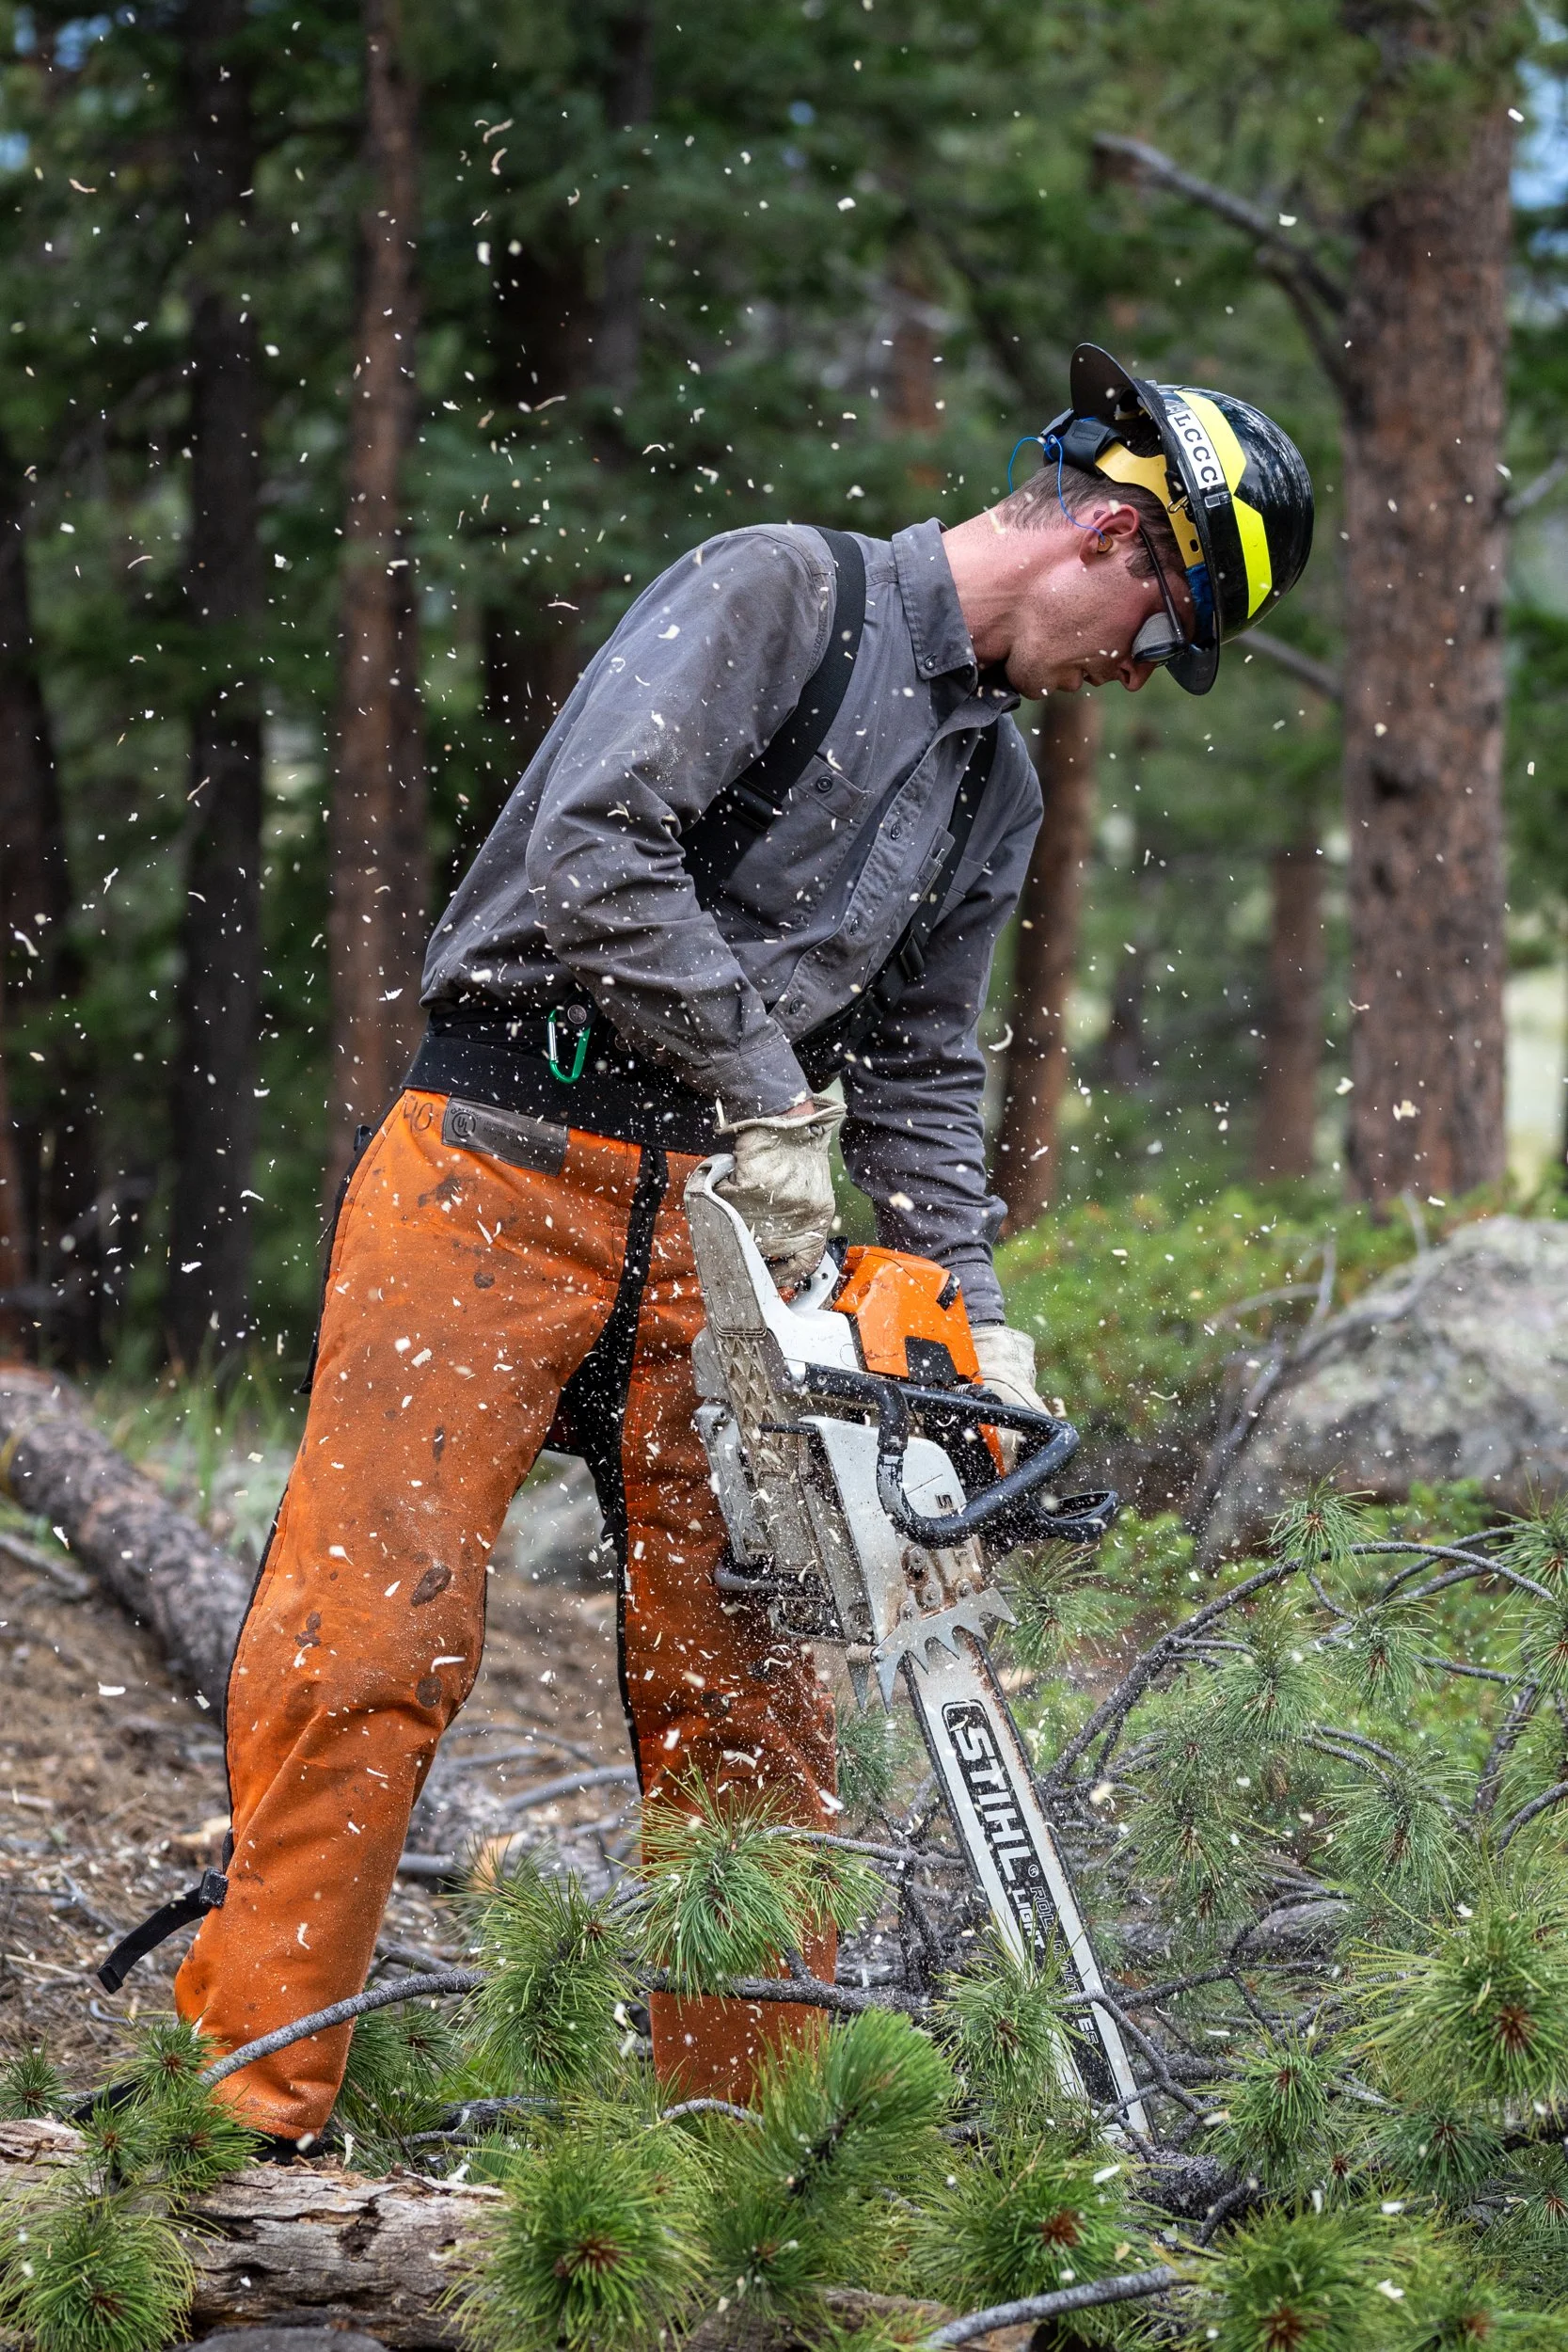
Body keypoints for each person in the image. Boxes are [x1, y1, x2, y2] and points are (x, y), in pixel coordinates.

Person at [123, 344, 1312, 2145]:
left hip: (726, 1244)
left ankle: (746, 2167)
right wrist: (766, 1089)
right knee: (371, 1635)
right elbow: (598, 849)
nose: (1139, 672)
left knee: (751, 1708)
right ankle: (242, 2106)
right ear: (1118, 538)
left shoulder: (993, 787)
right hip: (501, 1158)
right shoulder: (784, 592)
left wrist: (974, 1338)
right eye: (1163, 627)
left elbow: (915, 1066)